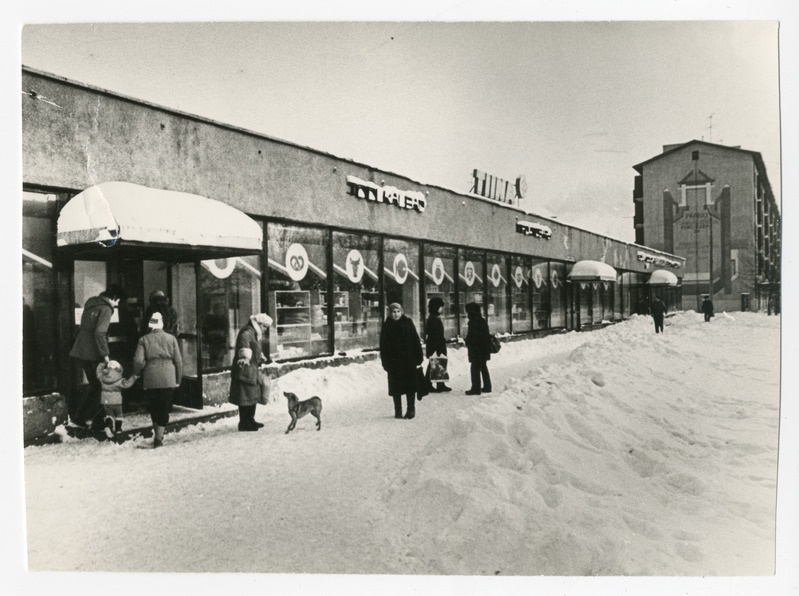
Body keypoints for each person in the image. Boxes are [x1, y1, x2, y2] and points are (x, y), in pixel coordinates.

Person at [69, 284, 125, 429]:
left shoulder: (91, 303)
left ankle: (87, 417)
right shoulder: (106, 309)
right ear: (114, 298)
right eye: (118, 301)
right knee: (102, 386)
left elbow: (84, 327)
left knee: (96, 385)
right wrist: (106, 356)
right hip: (94, 353)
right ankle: (94, 420)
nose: (117, 304)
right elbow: (100, 332)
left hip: (81, 350)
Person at [133, 312, 183, 448]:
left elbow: (138, 361)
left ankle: (157, 435)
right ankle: (159, 438)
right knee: (164, 407)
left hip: (151, 377)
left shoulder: (143, 340)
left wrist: (137, 373)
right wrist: (178, 379)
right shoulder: (171, 339)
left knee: (154, 407)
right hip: (168, 377)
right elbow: (178, 362)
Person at [379, 303, 424, 419]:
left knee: (410, 386)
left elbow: (415, 340)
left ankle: (411, 409)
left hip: (408, 360)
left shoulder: (407, 322)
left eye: (398, 311)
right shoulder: (387, 325)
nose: (396, 314)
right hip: (393, 361)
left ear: (402, 312)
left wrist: (419, 357)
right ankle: (398, 410)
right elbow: (383, 345)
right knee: (396, 387)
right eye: (394, 312)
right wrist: (385, 362)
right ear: (390, 313)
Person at [229, 313, 272, 431]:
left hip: (251, 370)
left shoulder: (253, 333)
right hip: (245, 370)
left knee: (252, 395)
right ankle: (244, 423)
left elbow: (253, 347)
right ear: (258, 324)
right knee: (245, 397)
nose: (265, 329)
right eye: (264, 326)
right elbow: (244, 345)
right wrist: (245, 358)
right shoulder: (247, 332)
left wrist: (260, 356)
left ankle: (250, 420)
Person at [96, 360, 137, 439]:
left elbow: (98, 371)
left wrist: (103, 362)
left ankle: (108, 426)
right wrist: (134, 377)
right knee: (118, 415)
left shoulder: (102, 376)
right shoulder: (120, 379)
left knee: (109, 415)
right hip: (116, 401)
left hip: (106, 401)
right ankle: (118, 429)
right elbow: (127, 384)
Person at [464, 302, 492, 395]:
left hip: (477, 350)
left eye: (468, 312)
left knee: (474, 368)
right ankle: (487, 387)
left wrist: (468, 341)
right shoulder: (482, 320)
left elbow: (473, 337)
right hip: (483, 349)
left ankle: (476, 388)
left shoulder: (473, 322)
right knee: (483, 366)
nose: (467, 314)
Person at [424, 296, 451, 392]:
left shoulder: (434, 317)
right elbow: (434, 334)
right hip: (436, 344)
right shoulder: (433, 319)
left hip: (436, 344)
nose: (442, 308)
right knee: (434, 363)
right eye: (440, 306)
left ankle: (440, 384)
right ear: (436, 307)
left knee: (438, 363)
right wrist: (438, 346)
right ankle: (428, 384)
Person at [202, 303, 229, 367]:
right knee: (214, 362)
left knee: (218, 363)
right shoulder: (211, 318)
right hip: (214, 345)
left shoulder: (223, 318)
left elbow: (224, 332)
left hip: (219, 344)